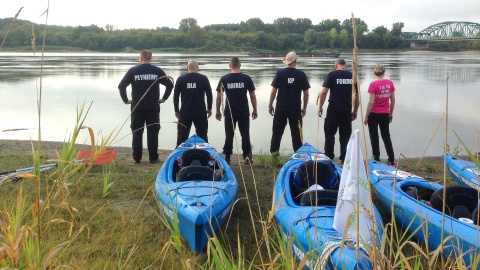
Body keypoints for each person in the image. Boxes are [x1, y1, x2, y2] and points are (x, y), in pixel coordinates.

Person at [118, 49, 174, 164]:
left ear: (140, 58)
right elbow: (170, 85)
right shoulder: (157, 71)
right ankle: (153, 158)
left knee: (137, 132)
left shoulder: (133, 70)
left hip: (137, 106)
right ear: (150, 58)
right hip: (153, 106)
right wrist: (164, 98)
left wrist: (126, 100)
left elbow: (121, 86)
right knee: (153, 132)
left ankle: (137, 158)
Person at [215, 57, 258, 165]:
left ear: (230, 66)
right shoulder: (246, 78)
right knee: (245, 134)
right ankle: (247, 156)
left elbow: (219, 97)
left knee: (229, 134)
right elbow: (253, 96)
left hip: (229, 112)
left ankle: (228, 157)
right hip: (243, 111)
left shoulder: (224, 79)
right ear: (240, 65)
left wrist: (218, 111)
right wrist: (255, 109)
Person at [317, 58, 359, 165]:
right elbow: (357, 96)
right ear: (346, 66)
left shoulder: (332, 75)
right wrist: (355, 110)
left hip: (333, 108)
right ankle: (344, 158)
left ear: (336, 66)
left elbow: (324, 92)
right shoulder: (352, 76)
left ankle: (329, 156)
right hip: (346, 108)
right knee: (345, 135)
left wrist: (320, 107)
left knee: (329, 133)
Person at [268, 51, 310, 154]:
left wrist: (270, 105)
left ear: (287, 62)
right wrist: (304, 107)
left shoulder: (280, 73)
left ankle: (274, 154)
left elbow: (274, 91)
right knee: (296, 133)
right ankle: (298, 154)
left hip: (281, 106)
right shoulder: (301, 74)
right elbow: (306, 93)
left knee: (277, 131)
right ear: (295, 61)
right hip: (295, 108)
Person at [173, 60, 213, 147]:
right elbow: (209, 94)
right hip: (200, 112)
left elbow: (175, 96)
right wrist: (209, 108)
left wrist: (176, 110)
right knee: (203, 136)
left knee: (182, 137)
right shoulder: (203, 78)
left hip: (185, 112)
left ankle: (179, 157)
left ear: (187, 67)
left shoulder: (181, 79)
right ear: (197, 67)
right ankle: (204, 157)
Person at [364, 64, 396, 166]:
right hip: (385, 113)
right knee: (386, 136)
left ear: (374, 72)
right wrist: (391, 113)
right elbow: (393, 100)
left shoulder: (373, 84)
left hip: (373, 114)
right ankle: (391, 160)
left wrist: (366, 115)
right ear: (384, 72)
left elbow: (371, 102)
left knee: (374, 137)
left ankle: (376, 158)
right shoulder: (390, 83)